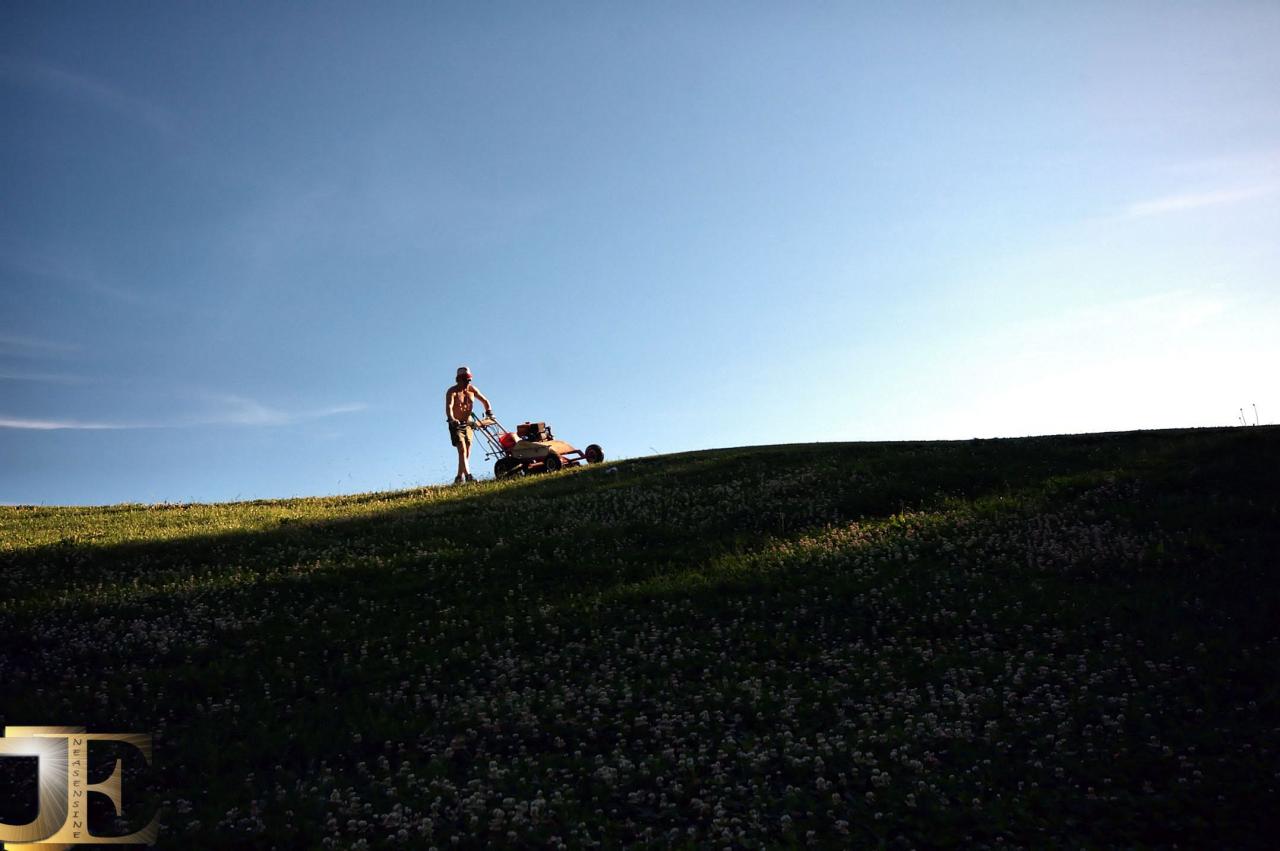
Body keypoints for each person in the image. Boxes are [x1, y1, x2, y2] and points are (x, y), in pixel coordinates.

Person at [444, 366, 492, 484]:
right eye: (465, 380)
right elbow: (449, 407)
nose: (467, 382)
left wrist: (489, 412)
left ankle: (459, 477)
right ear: (458, 380)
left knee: (467, 450)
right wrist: (452, 418)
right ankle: (469, 476)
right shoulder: (452, 391)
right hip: (456, 424)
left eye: (469, 380)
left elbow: (485, 401)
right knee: (461, 449)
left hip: (469, 423)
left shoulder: (472, 390)